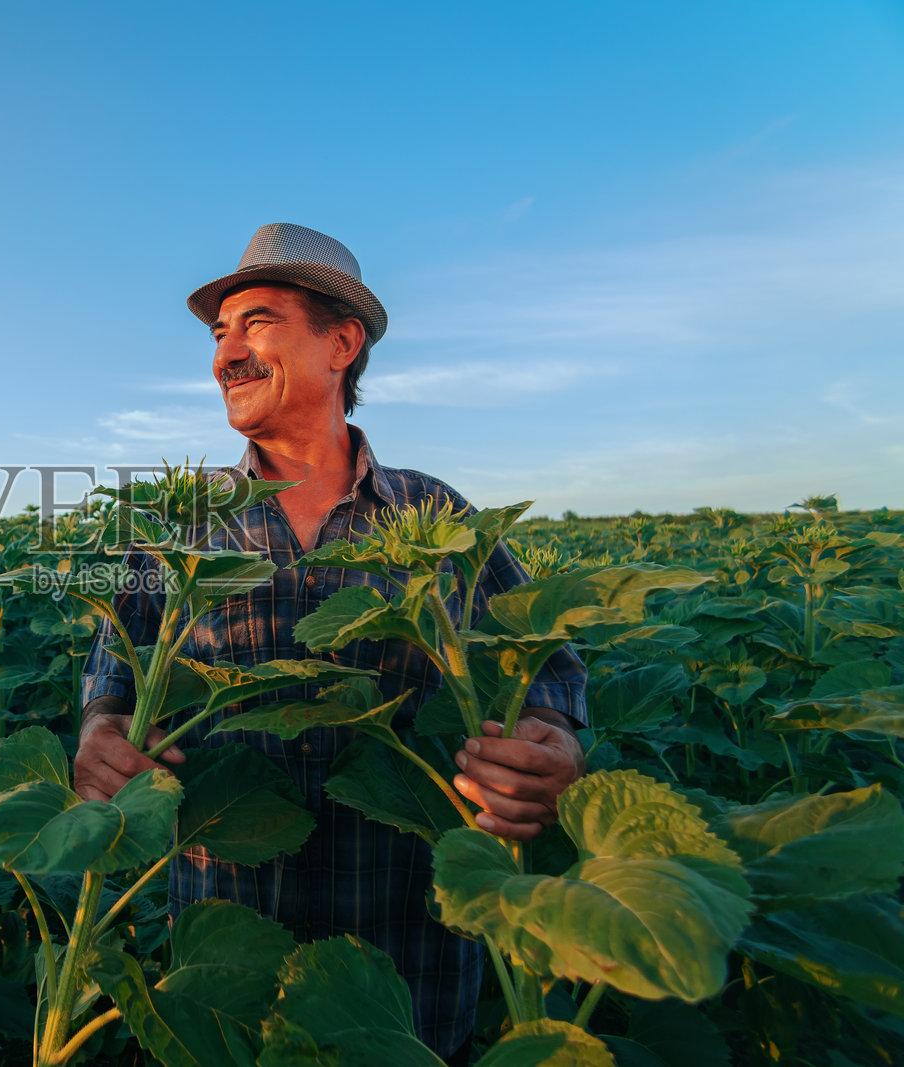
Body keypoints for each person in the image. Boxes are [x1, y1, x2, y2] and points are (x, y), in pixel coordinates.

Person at [74, 223, 588, 1064]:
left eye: (258, 322)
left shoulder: (440, 520)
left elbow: (547, 671)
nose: (226, 353)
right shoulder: (182, 524)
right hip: (227, 967)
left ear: (341, 342)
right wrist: (98, 736)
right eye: (218, 333)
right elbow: (112, 674)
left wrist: (551, 745)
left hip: (407, 968)